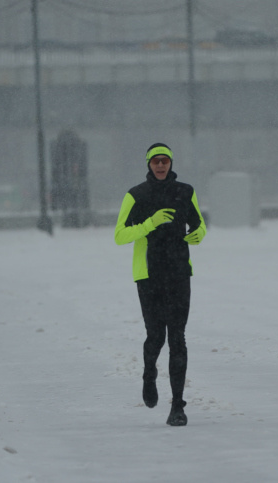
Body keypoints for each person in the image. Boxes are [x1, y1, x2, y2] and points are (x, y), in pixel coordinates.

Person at [114, 142, 206, 426]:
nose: (161, 165)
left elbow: (198, 223)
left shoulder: (185, 192)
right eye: (156, 161)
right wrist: (150, 223)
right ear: (149, 164)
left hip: (179, 273)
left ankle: (177, 406)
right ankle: (149, 372)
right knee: (156, 336)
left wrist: (199, 233)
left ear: (171, 163)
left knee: (178, 338)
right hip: (149, 274)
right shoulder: (136, 195)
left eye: (165, 160)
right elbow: (120, 235)